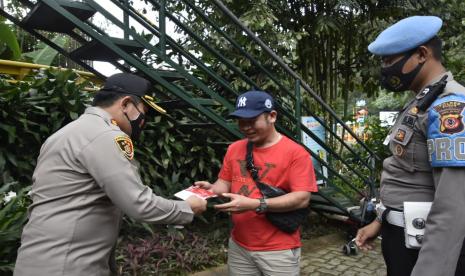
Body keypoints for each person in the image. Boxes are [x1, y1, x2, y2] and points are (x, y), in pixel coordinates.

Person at [14, 73, 207, 275]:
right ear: (126, 104)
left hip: (38, 259)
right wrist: (187, 207)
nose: (144, 119)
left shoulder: (65, 133)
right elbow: (140, 204)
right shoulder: (106, 135)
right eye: (143, 111)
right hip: (68, 265)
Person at [355, 16, 465, 276]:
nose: (384, 68)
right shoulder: (423, 99)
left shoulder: (449, 107)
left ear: (422, 54)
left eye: (390, 60)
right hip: (404, 237)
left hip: (426, 248)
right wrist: (380, 221)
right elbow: (406, 176)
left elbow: (454, 206)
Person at [195, 91, 317, 275]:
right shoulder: (235, 149)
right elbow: (224, 184)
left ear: (272, 116)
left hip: (279, 249)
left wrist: (254, 204)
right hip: (239, 245)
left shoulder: (295, 153)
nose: (245, 127)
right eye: (241, 121)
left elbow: (301, 199)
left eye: (251, 121)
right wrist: (210, 189)